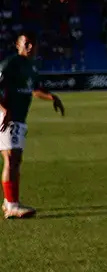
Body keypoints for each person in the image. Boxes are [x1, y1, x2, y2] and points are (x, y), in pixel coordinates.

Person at [0, 32, 65, 219]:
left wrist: (52, 97)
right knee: (11, 159)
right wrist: (4, 110)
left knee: (15, 159)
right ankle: (12, 205)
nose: (30, 47)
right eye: (26, 44)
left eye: (32, 44)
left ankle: (9, 202)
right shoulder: (10, 64)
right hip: (7, 117)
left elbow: (34, 89)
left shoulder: (31, 67)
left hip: (18, 118)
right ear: (17, 45)